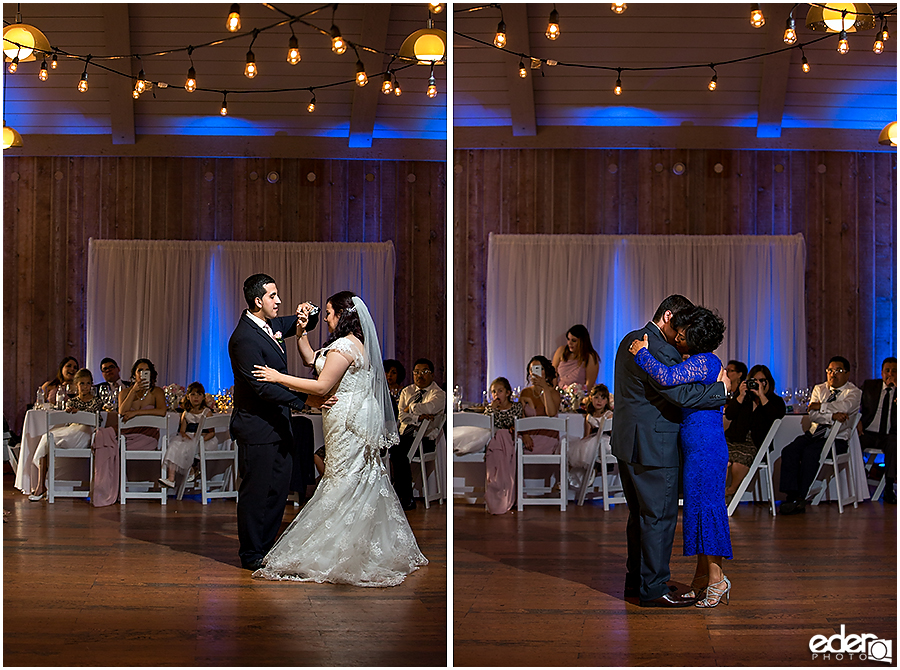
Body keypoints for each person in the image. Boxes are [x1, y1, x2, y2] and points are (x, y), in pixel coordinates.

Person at [251, 291, 428, 586]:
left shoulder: (345, 345)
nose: (328, 318)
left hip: (348, 421)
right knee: (357, 477)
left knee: (343, 478)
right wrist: (301, 330)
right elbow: (311, 359)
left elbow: (321, 386)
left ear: (344, 315)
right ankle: (361, 541)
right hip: (345, 417)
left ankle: (339, 549)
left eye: (331, 313)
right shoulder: (346, 345)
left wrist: (278, 377)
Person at [610, 295, 728, 609]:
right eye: (681, 326)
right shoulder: (658, 349)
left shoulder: (629, 340)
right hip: (654, 444)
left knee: (639, 516)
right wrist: (723, 390)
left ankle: (635, 581)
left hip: (627, 442)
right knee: (658, 518)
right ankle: (654, 588)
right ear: (667, 316)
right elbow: (680, 393)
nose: (681, 335)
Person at [228, 273, 318, 571]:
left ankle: (267, 547)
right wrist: (304, 402)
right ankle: (251, 553)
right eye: (273, 296)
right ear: (258, 301)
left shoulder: (272, 325)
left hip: (278, 425)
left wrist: (310, 311)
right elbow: (262, 387)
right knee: (256, 492)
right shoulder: (243, 339)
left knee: (278, 488)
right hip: (256, 427)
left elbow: (303, 323)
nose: (279, 301)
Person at [778, 356, 862, 515]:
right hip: (814, 434)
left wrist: (821, 406)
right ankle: (792, 496)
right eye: (830, 370)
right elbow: (813, 416)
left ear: (847, 374)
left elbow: (844, 406)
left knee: (810, 454)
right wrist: (831, 416)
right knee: (790, 450)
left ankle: (801, 498)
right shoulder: (819, 389)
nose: (833, 374)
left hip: (837, 439)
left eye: (838, 371)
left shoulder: (854, 392)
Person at [90, 358, 168, 507]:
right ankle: (104, 489)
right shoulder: (125, 392)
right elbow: (122, 411)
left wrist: (136, 413)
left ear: (151, 374)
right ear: (134, 374)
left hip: (147, 435)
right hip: (126, 434)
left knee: (115, 446)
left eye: (146, 371)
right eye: (139, 371)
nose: (143, 374)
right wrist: (133, 391)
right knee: (101, 435)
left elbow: (162, 411)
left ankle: (115, 488)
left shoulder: (156, 392)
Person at [29, 368, 102, 501]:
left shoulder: (96, 400)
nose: (85, 387)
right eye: (81, 384)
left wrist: (78, 412)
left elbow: (93, 416)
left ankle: (42, 487)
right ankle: (41, 485)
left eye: (87, 383)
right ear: (76, 385)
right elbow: (68, 422)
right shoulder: (71, 401)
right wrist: (70, 413)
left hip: (87, 433)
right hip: (73, 430)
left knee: (49, 439)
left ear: (91, 384)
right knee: (47, 438)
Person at [723, 364, 786, 501]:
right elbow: (729, 414)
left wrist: (762, 396)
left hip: (756, 444)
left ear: (769, 382)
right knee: (721, 459)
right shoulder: (744, 398)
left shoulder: (775, 401)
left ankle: (731, 491)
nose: (759, 384)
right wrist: (740, 396)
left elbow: (775, 416)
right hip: (734, 439)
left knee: (740, 459)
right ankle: (717, 495)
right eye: (754, 381)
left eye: (762, 381)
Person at [393, 358, 446, 510]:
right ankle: (402, 495)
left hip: (425, 440)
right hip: (404, 437)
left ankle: (403, 496)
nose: (419, 375)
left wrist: (411, 407)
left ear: (432, 375)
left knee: (396, 450)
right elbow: (401, 416)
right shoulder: (407, 391)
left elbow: (430, 408)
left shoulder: (439, 394)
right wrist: (418, 417)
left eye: (424, 372)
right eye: (416, 372)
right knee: (393, 448)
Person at [159, 382, 217, 489]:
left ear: (203, 397)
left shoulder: (206, 412)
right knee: (175, 445)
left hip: (205, 439)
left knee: (189, 447)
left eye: (199, 395)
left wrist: (200, 440)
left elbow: (212, 432)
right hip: (190, 437)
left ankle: (193, 470)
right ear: (188, 396)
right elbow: (182, 431)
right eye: (193, 394)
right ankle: (171, 478)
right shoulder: (186, 413)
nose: (196, 397)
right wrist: (186, 437)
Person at [482, 376, 525, 514]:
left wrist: (512, 427)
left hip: (512, 441)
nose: (496, 394)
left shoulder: (516, 407)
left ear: (507, 393)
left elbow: (518, 423)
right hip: (498, 443)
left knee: (503, 433)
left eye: (499, 391)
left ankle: (508, 491)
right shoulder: (492, 409)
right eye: (493, 392)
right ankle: (496, 491)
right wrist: (492, 409)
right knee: (500, 434)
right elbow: (488, 423)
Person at [858, 357, 897, 503]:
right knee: (853, 439)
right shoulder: (870, 386)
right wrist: (858, 420)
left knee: (894, 443)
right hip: (868, 431)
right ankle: (858, 479)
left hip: (889, 434)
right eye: (887, 371)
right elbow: (855, 404)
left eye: (894, 371)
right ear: (881, 373)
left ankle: (888, 487)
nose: (890, 374)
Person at [567, 384, 614, 490]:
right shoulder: (589, 416)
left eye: (603, 398)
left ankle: (594, 470)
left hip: (607, 441)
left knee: (600, 445)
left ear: (607, 401)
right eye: (596, 397)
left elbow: (612, 433)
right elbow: (587, 436)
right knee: (585, 448)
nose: (599, 401)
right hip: (593, 440)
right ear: (591, 398)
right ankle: (588, 472)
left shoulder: (609, 414)